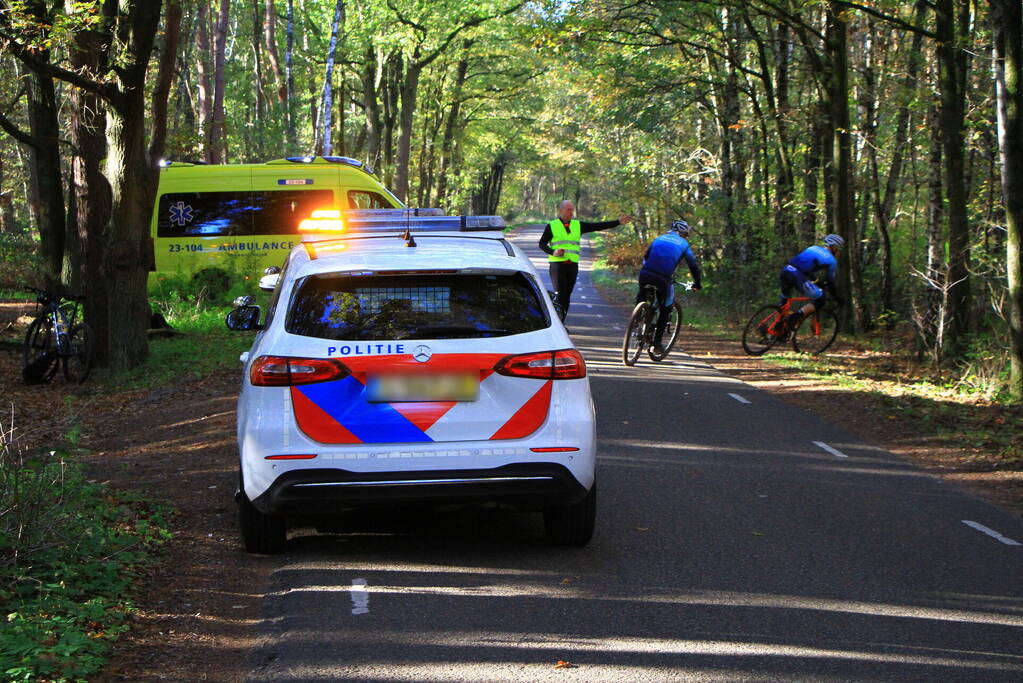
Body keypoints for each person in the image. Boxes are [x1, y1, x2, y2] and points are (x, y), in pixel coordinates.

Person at [539, 199, 632, 315]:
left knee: (567, 295)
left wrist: (618, 222)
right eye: (569, 210)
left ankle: (561, 321)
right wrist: (553, 252)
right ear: (561, 210)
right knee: (560, 294)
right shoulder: (552, 225)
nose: (571, 212)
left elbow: (598, 226)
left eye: (572, 210)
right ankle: (555, 322)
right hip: (557, 265)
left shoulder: (578, 225)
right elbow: (542, 244)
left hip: (572, 265)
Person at [635, 219, 703, 356]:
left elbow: (646, 257)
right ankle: (656, 344)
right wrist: (697, 284)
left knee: (642, 294)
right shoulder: (684, 244)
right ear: (683, 233)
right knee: (665, 308)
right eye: (686, 234)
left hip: (645, 273)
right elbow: (693, 266)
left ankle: (637, 321)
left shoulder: (659, 238)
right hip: (662, 277)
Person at [779, 234, 845, 330]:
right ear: (834, 247)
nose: (839, 252)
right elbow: (830, 282)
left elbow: (805, 267)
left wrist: (817, 282)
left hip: (786, 270)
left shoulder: (813, 248)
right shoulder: (832, 261)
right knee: (821, 300)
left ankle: (777, 327)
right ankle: (792, 318)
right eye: (839, 249)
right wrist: (836, 297)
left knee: (784, 301)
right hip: (798, 276)